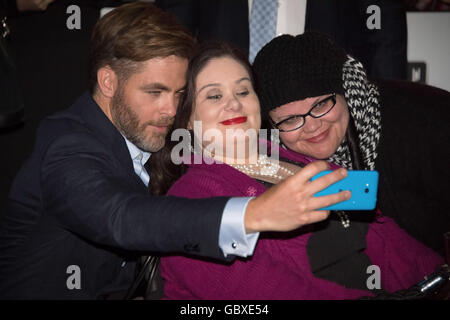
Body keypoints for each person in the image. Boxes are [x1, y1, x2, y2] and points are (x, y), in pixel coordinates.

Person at [0, 3, 350, 299]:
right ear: (108, 82)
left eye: (179, 94)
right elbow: (121, 217)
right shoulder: (68, 143)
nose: (170, 110)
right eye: (154, 92)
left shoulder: (153, 143)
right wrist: (254, 214)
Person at [149, 41, 443, 299]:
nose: (234, 103)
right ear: (187, 118)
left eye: (243, 90)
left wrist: (439, 282)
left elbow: (386, 240)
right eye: (214, 96)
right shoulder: (192, 201)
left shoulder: (301, 160)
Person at [252, 32, 450, 256]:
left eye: (320, 105)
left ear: (346, 90)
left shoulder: (427, 122)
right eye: (290, 119)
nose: (312, 126)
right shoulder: (272, 163)